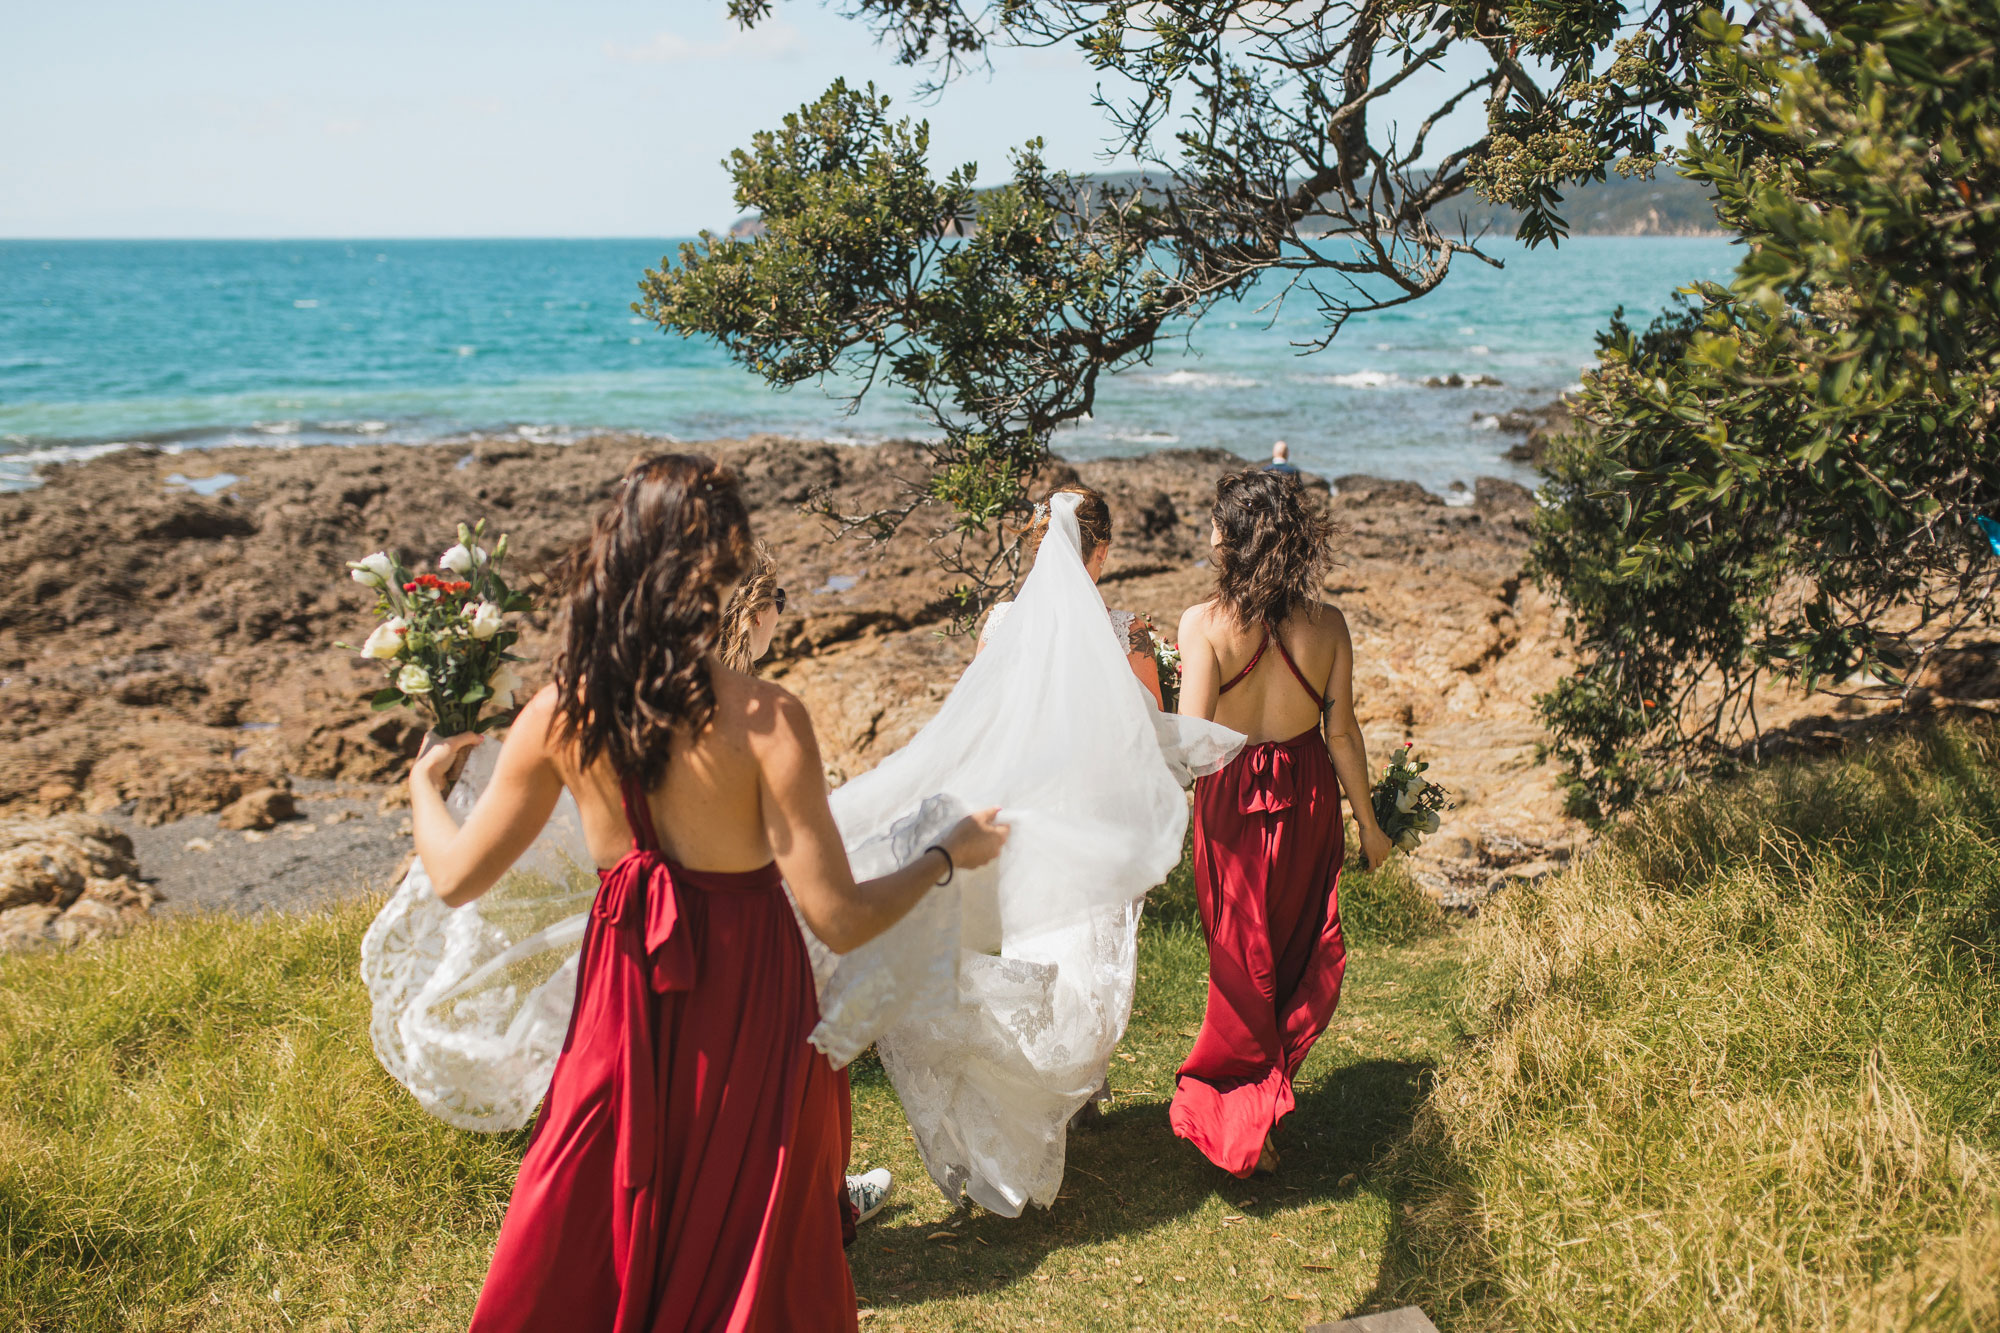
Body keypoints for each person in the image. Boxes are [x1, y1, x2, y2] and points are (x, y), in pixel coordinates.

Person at [401, 454, 1007, 1332]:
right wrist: (948, 855)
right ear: (719, 574)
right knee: (748, 1227)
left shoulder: (558, 713)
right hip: (751, 995)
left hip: (622, 994)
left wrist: (425, 785)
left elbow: (455, 876)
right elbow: (839, 912)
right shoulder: (768, 719)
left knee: (590, 1195)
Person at [808, 489, 1244, 1217]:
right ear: (1098, 554)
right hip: (1091, 819)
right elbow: (1142, 741)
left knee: (1039, 948)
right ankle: (1069, 1086)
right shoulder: (1126, 631)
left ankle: (1057, 1089)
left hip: (1025, 814)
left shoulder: (1001, 623)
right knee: (1090, 963)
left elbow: (982, 722)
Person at [1170, 468, 1390, 1178]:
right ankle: (1262, 1106)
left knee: (1241, 969)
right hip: (1307, 801)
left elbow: (1193, 739)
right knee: (1293, 954)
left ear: (1233, 538)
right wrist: (1371, 825)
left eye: (1213, 521)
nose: (1206, 532)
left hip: (1234, 804)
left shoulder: (1204, 626)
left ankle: (1247, 1115)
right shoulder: (1329, 626)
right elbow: (1345, 734)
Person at [719, 542, 895, 1228]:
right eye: (780, 601)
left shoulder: (656, 701)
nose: (782, 616)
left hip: (678, 923)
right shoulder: (767, 712)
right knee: (806, 1062)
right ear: (753, 610)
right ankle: (821, 1203)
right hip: (761, 918)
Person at [977, 484, 1163, 707]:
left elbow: (979, 712)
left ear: (1040, 549)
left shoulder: (998, 626)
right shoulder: (1129, 633)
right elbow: (1154, 729)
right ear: (1102, 551)